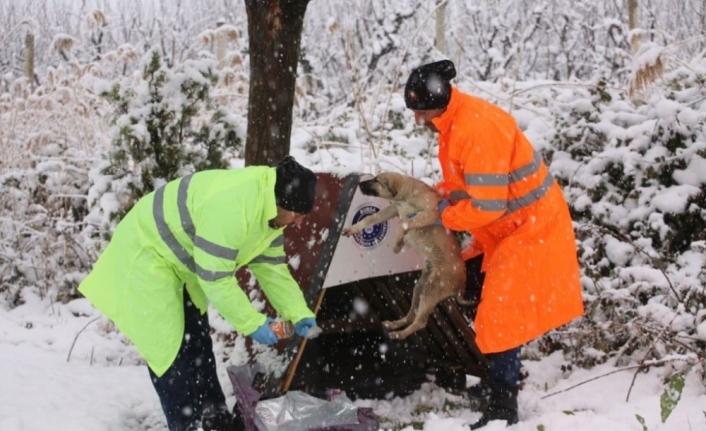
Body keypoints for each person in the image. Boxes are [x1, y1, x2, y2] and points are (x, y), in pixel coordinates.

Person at [403, 60, 584, 429]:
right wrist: (438, 196)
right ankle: (495, 378)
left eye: (422, 111)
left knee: (501, 315)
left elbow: (486, 205)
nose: (419, 119)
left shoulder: (476, 127)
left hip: (531, 231)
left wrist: (441, 215)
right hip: (504, 230)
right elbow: (467, 184)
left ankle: (504, 403)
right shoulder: (452, 122)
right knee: (468, 285)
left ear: (440, 101)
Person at [78, 156, 320, 431]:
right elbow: (217, 278)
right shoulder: (233, 206)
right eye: (297, 214)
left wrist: (297, 312)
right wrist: (253, 323)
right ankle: (187, 425)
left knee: (197, 343)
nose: (299, 222)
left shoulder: (272, 214)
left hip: (181, 264)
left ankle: (215, 420)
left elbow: (271, 268)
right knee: (171, 353)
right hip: (147, 255)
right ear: (280, 201)